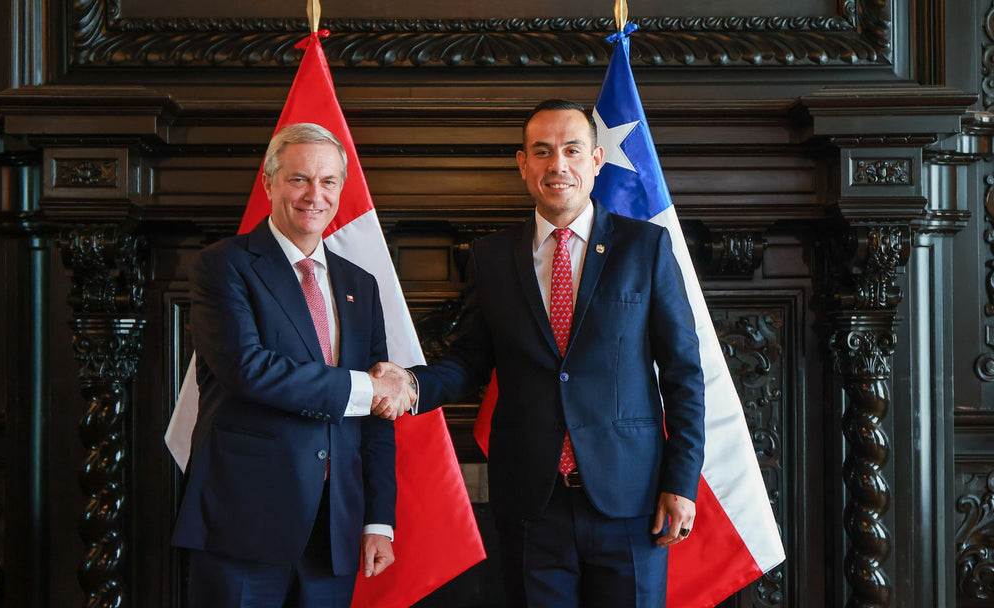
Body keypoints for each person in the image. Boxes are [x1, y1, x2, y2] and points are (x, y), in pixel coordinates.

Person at [374, 99, 706, 607]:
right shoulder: (491, 257)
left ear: (596, 160)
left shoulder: (646, 247)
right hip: (532, 503)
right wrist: (412, 384)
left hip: (630, 498)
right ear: (523, 163)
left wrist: (681, 482)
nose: (558, 165)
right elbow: (468, 360)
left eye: (572, 150)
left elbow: (684, 374)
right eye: (543, 151)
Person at [171, 122, 416, 608]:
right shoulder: (224, 266)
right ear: (269, 183)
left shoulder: (361, 284)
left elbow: (377, 418)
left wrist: (377, 520)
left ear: (341, 189)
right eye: (299, 179)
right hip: (244, 522)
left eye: (328, 181)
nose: (314, 195)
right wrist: (368, 389)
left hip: (334, 528)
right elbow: (248, 369)